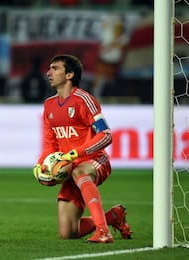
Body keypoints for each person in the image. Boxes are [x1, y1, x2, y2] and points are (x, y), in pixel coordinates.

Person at [32, 54, 132, 243]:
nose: (48, 73)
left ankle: (103, 232)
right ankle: (113, 217)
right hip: (68, 166)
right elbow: (50, 145)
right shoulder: (49, 105)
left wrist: (73, 154)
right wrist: (41, 166)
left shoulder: (83, 99)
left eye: (55, 68)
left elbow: (106, 135)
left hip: (93, 160)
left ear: (69, 74)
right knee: (68, 233)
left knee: (80, 171)